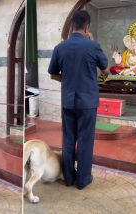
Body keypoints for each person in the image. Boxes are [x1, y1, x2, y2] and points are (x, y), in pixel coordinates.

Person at [48, 10, 108, 190]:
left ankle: (68, 178)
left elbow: (53, 74)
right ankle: (83, 180)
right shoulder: (93, 45)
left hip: (68, 101)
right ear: (87, 27)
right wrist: (92, 41)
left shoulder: (60, 48)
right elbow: (106, 71)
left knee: (68, 140)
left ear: (72, 26)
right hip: (88, 102)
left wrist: (66, 79)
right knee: (85, 140)